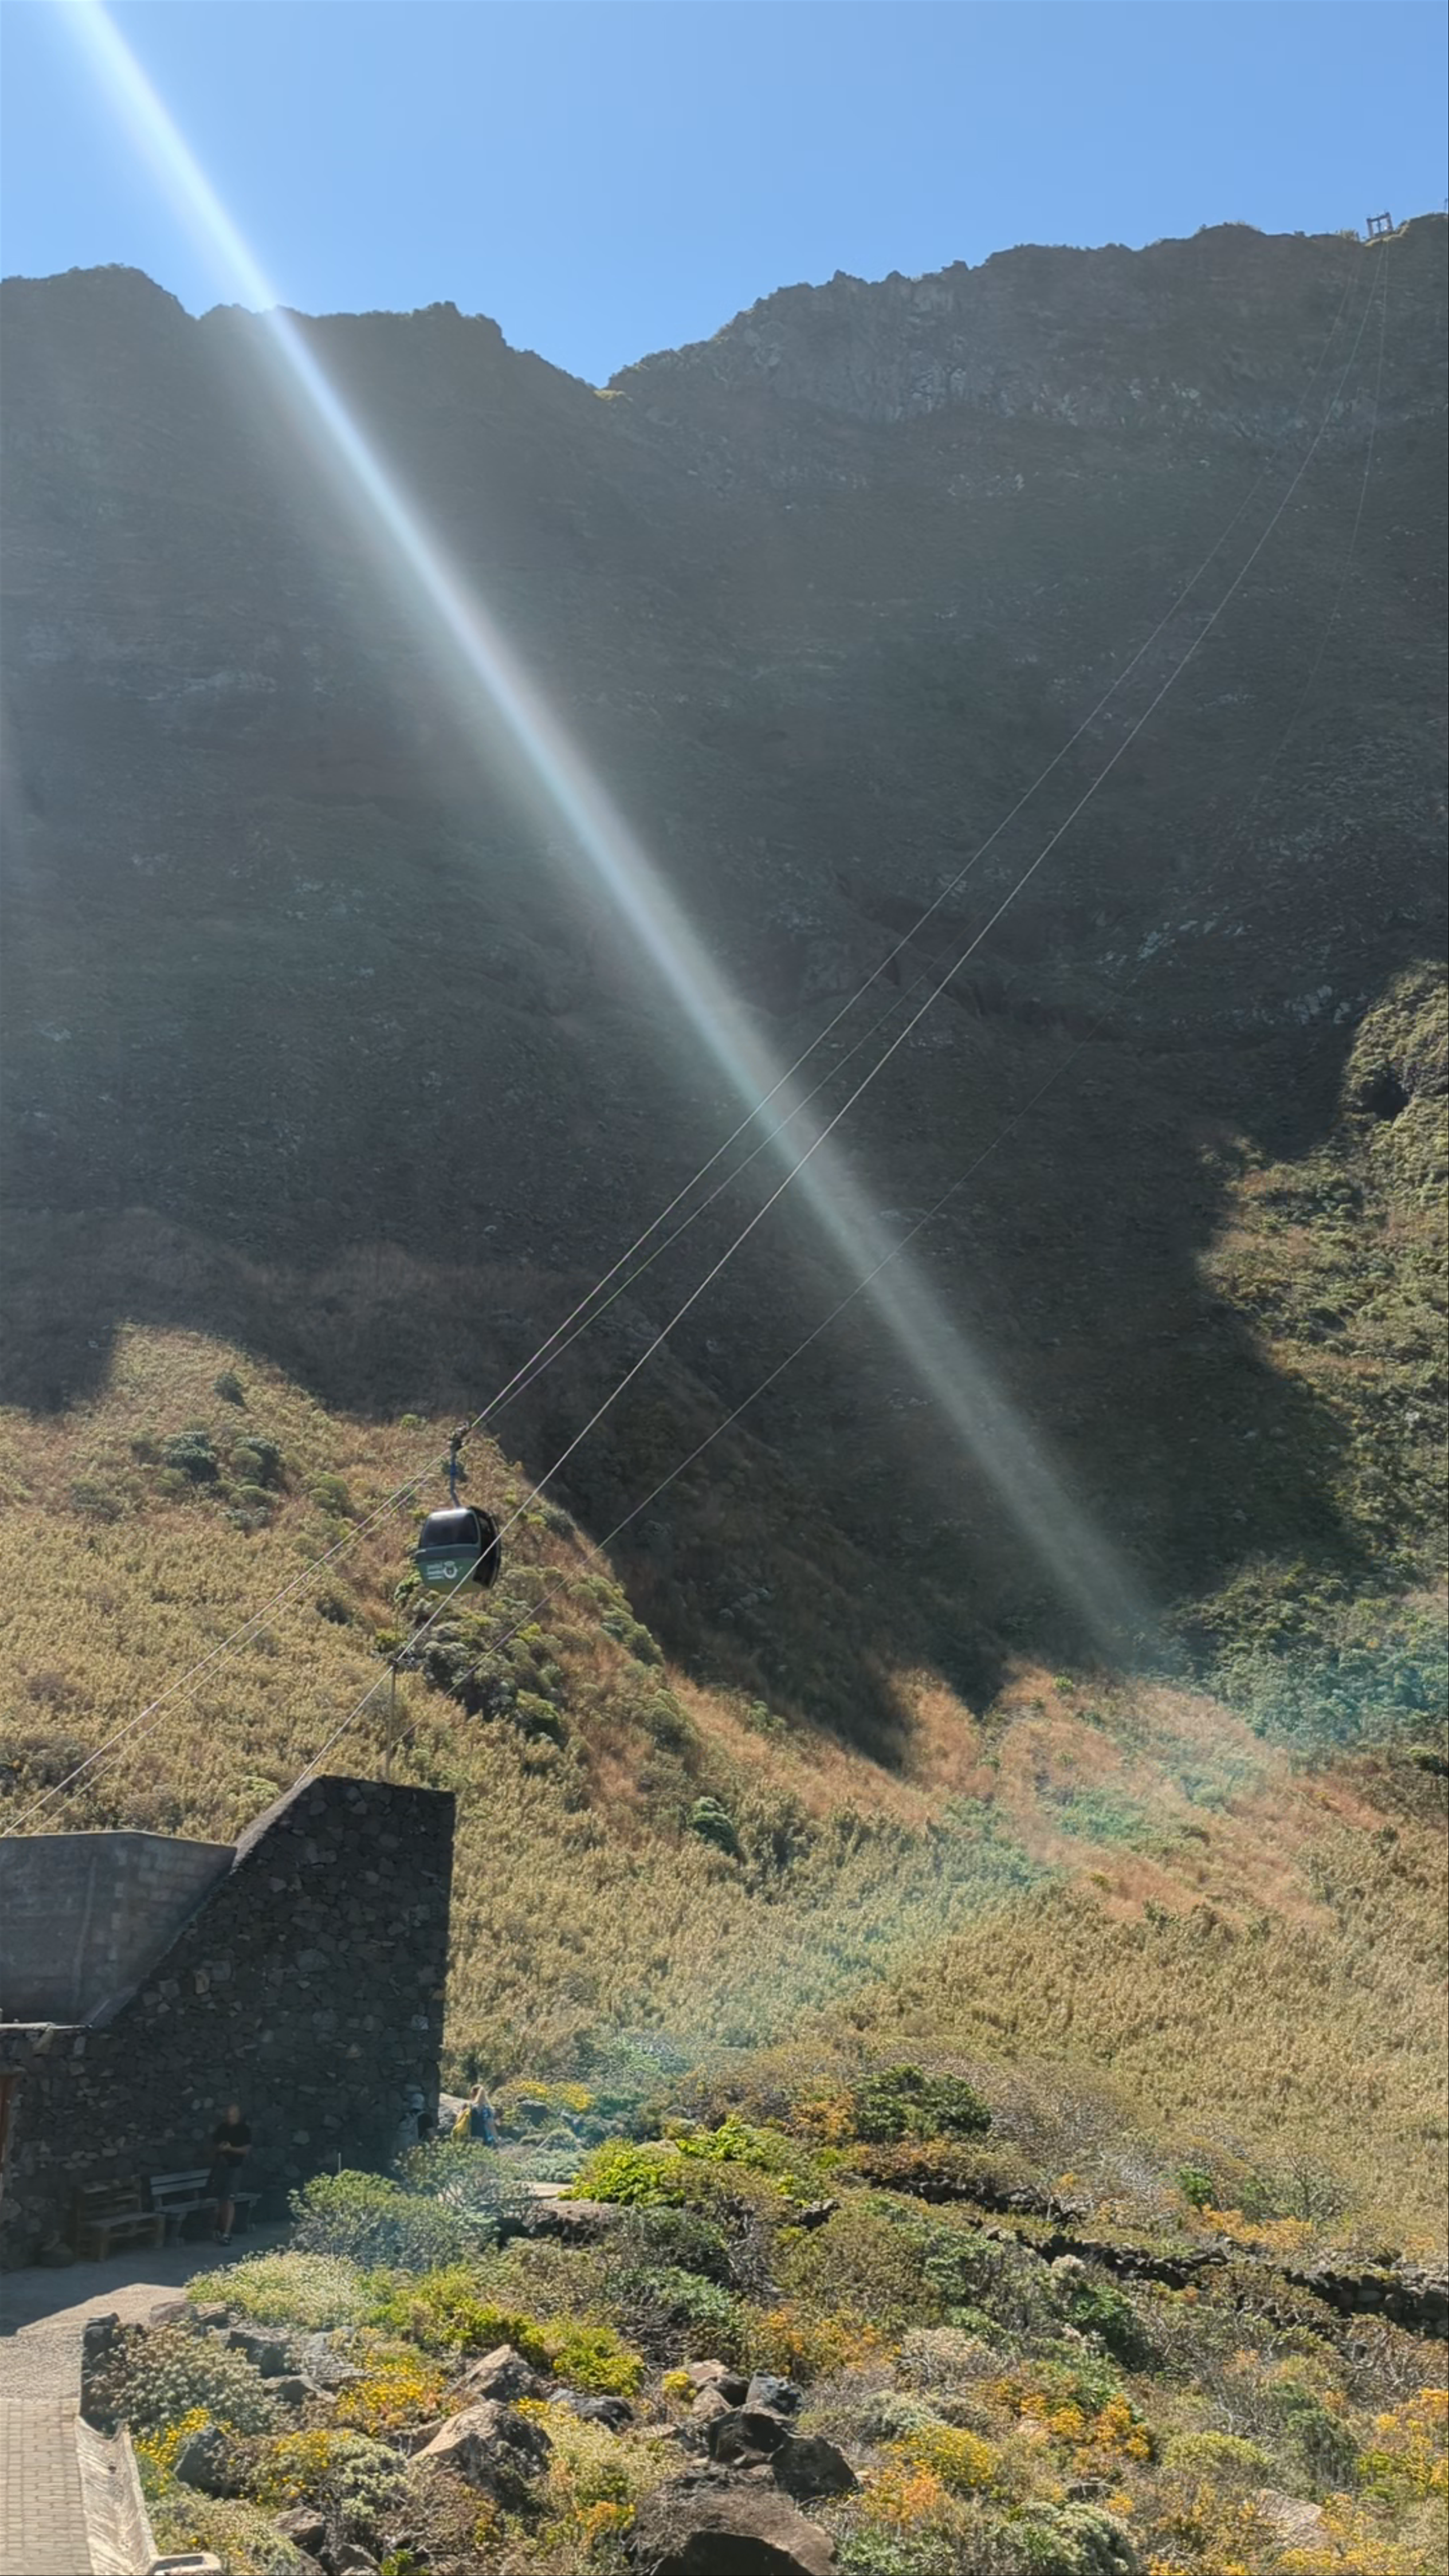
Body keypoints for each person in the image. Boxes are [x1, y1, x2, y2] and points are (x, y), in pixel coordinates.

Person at [207, 2102, 251, 2245]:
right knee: (221, 2200)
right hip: (221, 2168)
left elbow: (245, 2151)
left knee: (229, 2200)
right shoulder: (222, 2129)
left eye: (233, 2115)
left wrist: (230, 2149)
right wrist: (219, 2149)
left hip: (235, 2168)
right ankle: (220, 2229)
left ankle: (227, 2233)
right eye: (228, 2115)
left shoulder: (244, 2130)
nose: (230, 2117)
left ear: (238, 2115)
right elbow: (213, 2147)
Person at [453, 2082, 499, 2146]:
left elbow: (459, 2119)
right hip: (485, 2139)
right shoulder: (487, 2109)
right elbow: (491, 2125)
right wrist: (498, 2140)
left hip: (468, 2137)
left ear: (472, 2095)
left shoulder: (466, 2106)